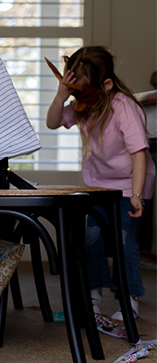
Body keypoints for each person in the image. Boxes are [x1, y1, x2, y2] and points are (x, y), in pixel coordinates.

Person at [46, 46, 155, 321]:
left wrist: (138, 194)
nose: (79, 99)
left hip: (133, 185)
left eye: (84, 93)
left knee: (123, 239)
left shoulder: (123, 108)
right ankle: (94, 296)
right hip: (99, 186)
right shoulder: (83, 106)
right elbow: (52, 122)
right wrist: (61, 96)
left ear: (106, 85)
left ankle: (129, 300)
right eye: (74, 92)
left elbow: (139, 154)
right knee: (92, 240)